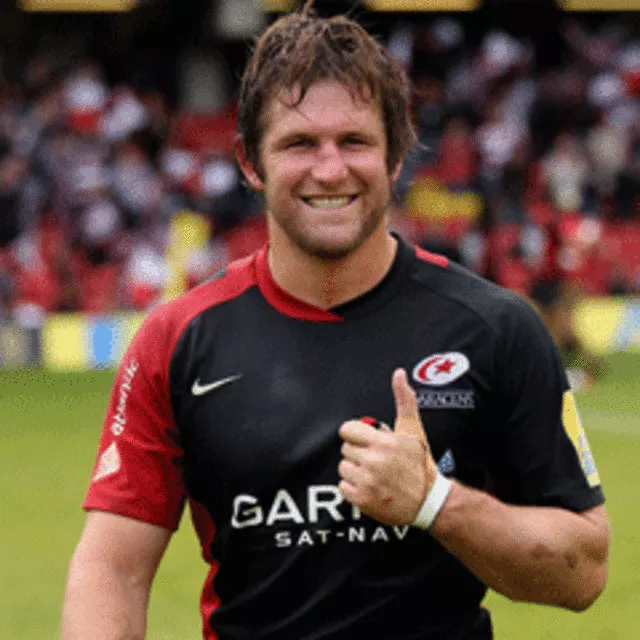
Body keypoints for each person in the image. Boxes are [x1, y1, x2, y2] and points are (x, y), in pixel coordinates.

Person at [61, 7, 610, 640]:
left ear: (395, 156)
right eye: (299, 144)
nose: (329, 170)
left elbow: (583, 572)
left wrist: (435, 502)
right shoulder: (177, 340)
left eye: (354, 141)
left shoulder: (496, 329)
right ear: (250, 162)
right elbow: (112, 569)